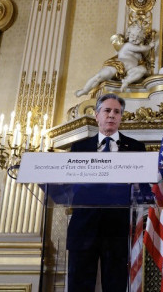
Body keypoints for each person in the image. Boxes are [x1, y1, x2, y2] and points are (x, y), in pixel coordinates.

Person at [66, 93, 146, 291]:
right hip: (83, 228)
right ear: (96, 115)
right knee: (79, 285)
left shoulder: (136, 148)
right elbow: (69, 186)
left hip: (117, 229)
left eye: (117, 112)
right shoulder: (79, 147)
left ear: (121, 117)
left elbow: (144, 188)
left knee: (115, 285)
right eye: (107, 110)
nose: (112, 115)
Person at [75, 24, 154, 96]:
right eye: (133, 35)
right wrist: (150, 46)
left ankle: (126, 81)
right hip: (118, 65)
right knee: (99, 77)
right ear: (128, 34)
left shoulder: (139, 55)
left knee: (142, 70)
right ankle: (85, 90)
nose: (134, 39)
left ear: (142, 39)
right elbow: (142, 48)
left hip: (128, 72)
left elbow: (142, 64)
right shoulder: (128, 45)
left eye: (138, 37)